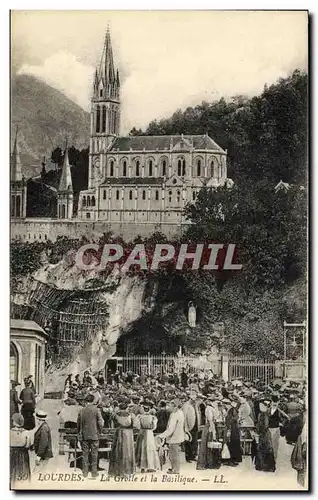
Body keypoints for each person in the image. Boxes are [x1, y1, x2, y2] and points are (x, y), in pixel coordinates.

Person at [108, 401, 139, 477]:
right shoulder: (131, 415)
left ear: (119, 407)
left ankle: (117, 471)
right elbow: (136, 425)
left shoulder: (114, 415)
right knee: (128, 451)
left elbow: (111, 424)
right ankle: (128, 471)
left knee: (118, 451)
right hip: (128, 434)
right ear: (127, 408)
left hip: (118, 433)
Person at [77, 393, 104, 478]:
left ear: (86, 401)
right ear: (93, 400)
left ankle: (85, 472)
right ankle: (94, 472)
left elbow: (78, 424)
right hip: (94, 435)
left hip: (84, 436)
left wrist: (80, 433)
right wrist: (99, 430)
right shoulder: (97, 410)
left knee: (85, 454)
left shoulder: (82, 410)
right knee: (94, 454)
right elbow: (101, 423)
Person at [158, 399, 185, 475]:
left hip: (174, 437)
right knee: (175, 453)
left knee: (173, 454)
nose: (168, 407)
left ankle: (175, 469)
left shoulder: (174, 415)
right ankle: (174, 467)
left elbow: (170, 429)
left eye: (170, 405)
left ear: (175, 406)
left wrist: (161, 435)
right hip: (178, 436)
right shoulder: (181, 412)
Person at [197, 395, 221, 470]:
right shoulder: (209, 409)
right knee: (208, 444)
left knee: (209, 444)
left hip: (211, 426)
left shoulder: (211, 408)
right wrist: (213, 431)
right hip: (210, 427)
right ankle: (206, 463)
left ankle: (210, 463)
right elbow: (210, 420)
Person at [135, 402, 160, 472]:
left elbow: (137, 426)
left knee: (142, 449)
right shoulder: (153, 418)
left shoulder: (139, 417)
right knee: (149, 449)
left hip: (142, 432)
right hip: (149, 433)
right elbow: (154, 427)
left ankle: (142, 467)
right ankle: (150, 466)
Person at [254, 400, 276, 472]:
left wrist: (258, 430)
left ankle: (264, 466)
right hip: (264, 433)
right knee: (265, 448)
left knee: (264, 448)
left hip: (264, 434)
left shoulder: (263, 415)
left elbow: (264, 425)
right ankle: (265, 465)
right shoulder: (264, 414)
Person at [10, 413, 31, 486]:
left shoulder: (9, 432)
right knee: (23, 472)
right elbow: (28, 445)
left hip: (12, 453)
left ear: (14, 422)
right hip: (23, 454)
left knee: (12, 471)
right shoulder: (26, 432)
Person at [224, 396, 242, 466]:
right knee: (233, 444)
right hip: (233, 429)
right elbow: (229, 421)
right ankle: (232, 460)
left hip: (234, 429)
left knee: (234, 444)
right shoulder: (232, 410)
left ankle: (234, 459)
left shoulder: (234, 410)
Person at [183, 392, 200, 463]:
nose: (194, 401)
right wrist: (185, 427)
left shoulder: (195, 405)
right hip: (189, 426)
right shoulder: (186, 405)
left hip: (195, 425)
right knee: (188, 441)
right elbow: (184, 416)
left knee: (194, 441)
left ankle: (193, 455)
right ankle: (188, 456)